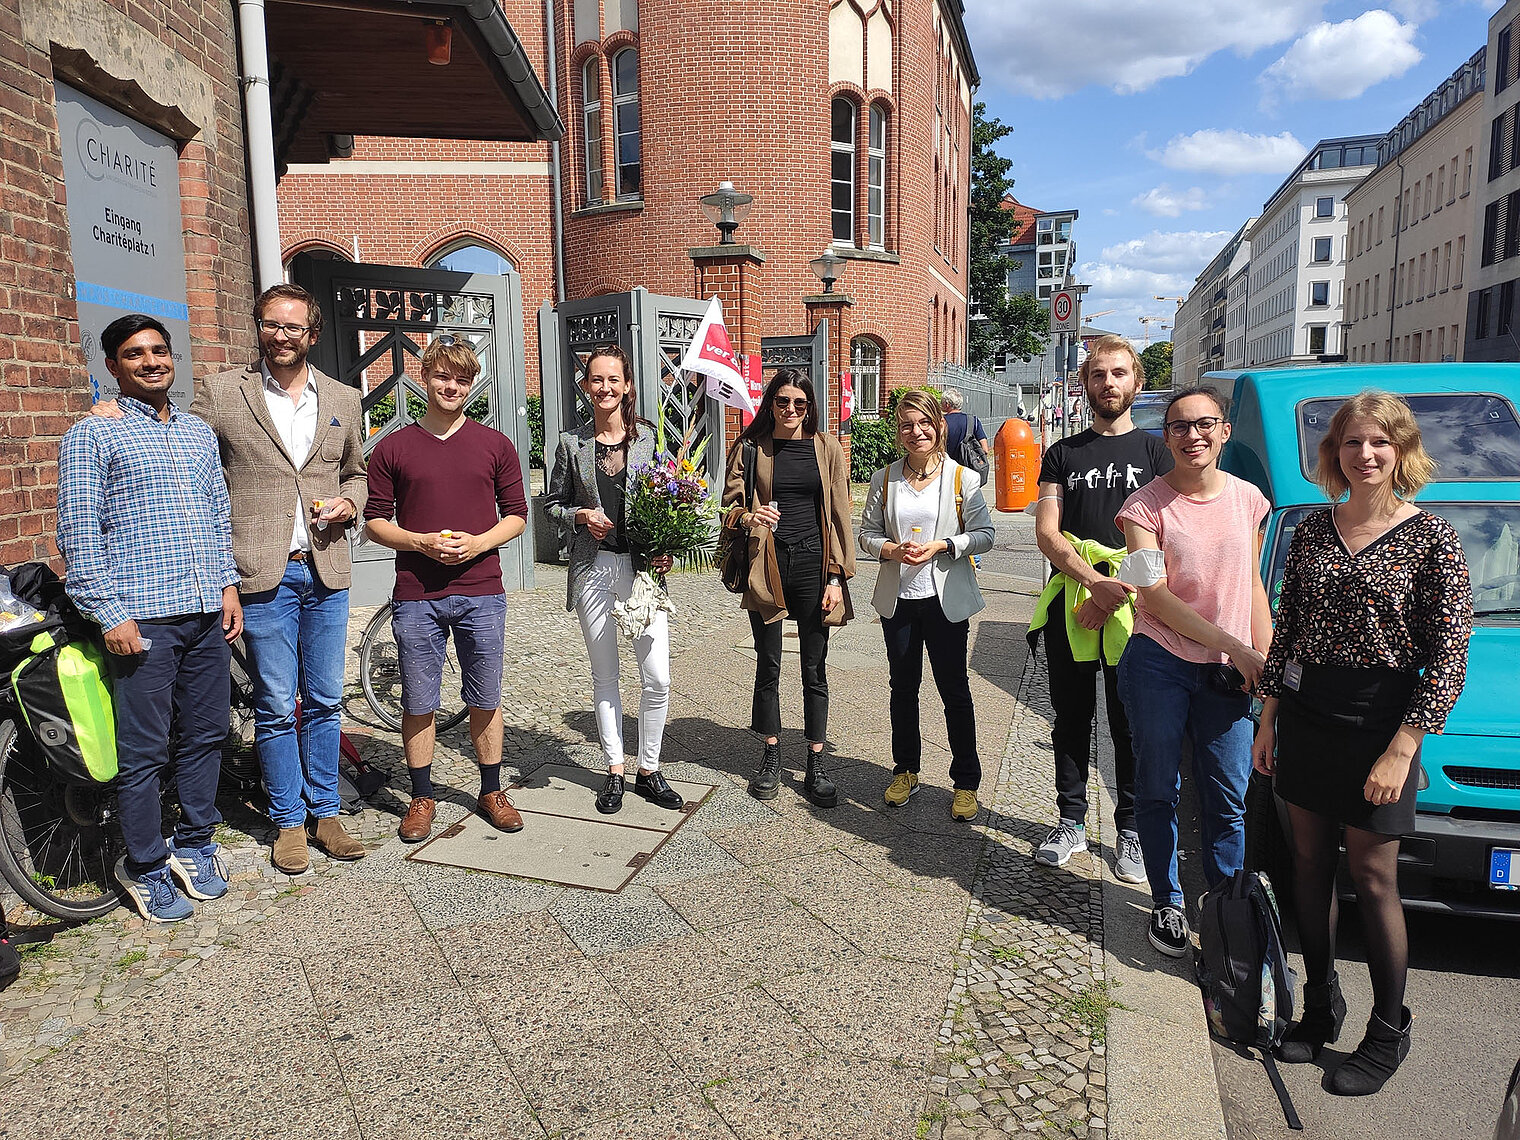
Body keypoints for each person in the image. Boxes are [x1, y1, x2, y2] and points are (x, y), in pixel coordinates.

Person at [1253, 391, 1470, 1096]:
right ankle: (1321, 1005)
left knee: (1375, 879)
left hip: (1382, 720)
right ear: (1335, 453)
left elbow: (1448, 656)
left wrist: (1403, 748)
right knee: (1309, 867)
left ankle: (1389, 1029)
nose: (1365, 454)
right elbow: (1287, 627)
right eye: (1352, 442)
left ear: (1402, 450)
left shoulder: (1432, 537)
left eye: (1380, 441)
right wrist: (1268, 716)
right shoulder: (1315, 528)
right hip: (1308, 710)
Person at [57, 315, 242, 922]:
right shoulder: (92, 435)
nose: (150, 361)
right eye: (133, 354)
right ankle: (141, 861)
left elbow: (217, 516)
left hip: (203, 613)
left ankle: (194, 842)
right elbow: (79, 534)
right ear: (112, 366)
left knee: (207, 732)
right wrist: (110, 614)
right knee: (145, 749)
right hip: (143, 620)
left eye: (159, 350)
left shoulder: (195, 433)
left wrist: (227, 587)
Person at [193, 284, 369, 874]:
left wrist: (350, 502)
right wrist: (119, 409)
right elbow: (183, 447)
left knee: (323, 699)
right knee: (273, 703)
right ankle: (287, 821)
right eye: (272, 324)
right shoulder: (223, 392)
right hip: (262, 573)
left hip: (325, 569)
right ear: (259, 327)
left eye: (294, 327)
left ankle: (326, 812)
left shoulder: (343, 396)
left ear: (312, 334)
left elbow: (357, 472)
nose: (282, 336)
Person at [1114, 385, 1271, 958]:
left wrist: (1265, 661)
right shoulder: (1143, 507)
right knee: (1159, 786)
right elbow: (1151, 595)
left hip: (1228, 672)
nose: (1192, 435)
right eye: (1179, 426)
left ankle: (1226, 907)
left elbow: (1252, 585)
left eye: (1204, 424)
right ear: (1166, 437)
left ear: (1224, 431)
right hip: (1160, 661)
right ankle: (1168, 902)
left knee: (1228, 794)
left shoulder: (1250, 500)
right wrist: (1238, 645)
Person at [364, 338, 529, 842]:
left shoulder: (494, 444)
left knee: (485, 694)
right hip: (417, 591)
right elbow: (374, 521)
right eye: (441, 376)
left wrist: (479, 543)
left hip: (482, 589)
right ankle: (421, 795)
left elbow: (517, 516)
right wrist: (419, 541)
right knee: (419, 698)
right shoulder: (394, 447)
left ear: (471, 382)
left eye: (460, 378)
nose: (450, 386)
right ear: (425, 377)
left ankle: (491, 789)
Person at [1029, 335, 1169, 884]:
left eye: (1118, 373)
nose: (1107, 383)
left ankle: (1130, 829)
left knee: (1129, 721)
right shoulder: (1062, 453)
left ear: (1136, 381)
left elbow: (1166, 538)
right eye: (1097, 374)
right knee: (1070, 716)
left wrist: (1119, 592)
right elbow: (1047, 531)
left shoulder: (1158, 453)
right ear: (1084, 384)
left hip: (1139, 607)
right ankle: (1069, 820)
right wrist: (1092, 585)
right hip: (1074, 599)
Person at [545, 345, 681, 815]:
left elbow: (670, 502)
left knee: (656, 676)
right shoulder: (570, 443)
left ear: (627, 387)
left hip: (641, 573)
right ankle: (614, 769)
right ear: (586, 386)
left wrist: (667, 547)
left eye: (613, 380)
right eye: (596, 380)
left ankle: (649, 767)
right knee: (606, 675)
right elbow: (551, 506)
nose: (605, 388)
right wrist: (580, 514)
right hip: (593, 570)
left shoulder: (651, 441)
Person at [858, 389, 996, 820]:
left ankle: (965, 781)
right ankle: (906, 769)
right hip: (899, 599)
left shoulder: (962, 479)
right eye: (906, 425)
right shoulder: (885, 479)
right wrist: (888, 550)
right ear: (898, 432)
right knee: (903, 689)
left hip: (944, 600)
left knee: (954, 690)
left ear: (939, 426)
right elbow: (866, 533)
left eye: (924, 423)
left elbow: (986, 535)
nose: (916, 432)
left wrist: (945, 544)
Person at [721, 368, 855, 807]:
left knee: (815, 669)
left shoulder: (827, 448)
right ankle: (771, 754)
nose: (792, 410)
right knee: (769, 664)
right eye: (783, 402)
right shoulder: (750, 449)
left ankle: (816, 762)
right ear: (770, 403)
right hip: (768, 565)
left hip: (814, 568)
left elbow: (840, 515)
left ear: (810, 406)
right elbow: (727, 508)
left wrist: (836, 575)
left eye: (801, 403)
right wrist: (749, 517)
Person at [940, 387, 987, 465]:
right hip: (968, 468)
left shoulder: (941, 422)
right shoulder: (973, 420)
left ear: (947, 404)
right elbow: (985, 449)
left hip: (946, 467)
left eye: (942, 402)